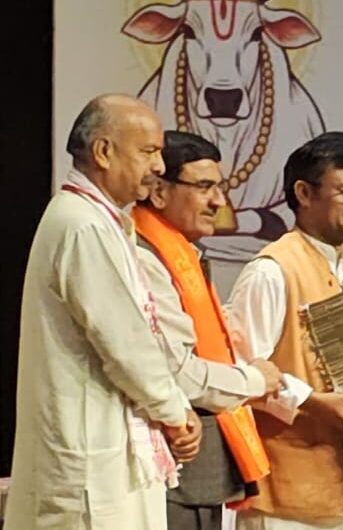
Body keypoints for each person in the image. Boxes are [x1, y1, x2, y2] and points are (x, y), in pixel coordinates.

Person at [4, 94, 201, 530]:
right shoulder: (83, 224)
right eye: (148, 151)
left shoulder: (97, 219)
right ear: (104, 152)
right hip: (90, 459)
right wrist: (175, 412)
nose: (159, 166)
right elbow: (126, 344)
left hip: (104, 449)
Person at [227, 132, 343, 530]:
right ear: (304, 193)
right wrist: (310, 401)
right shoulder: (271, 271)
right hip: (290, 493)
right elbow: (241, 371)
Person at [131, 130, 284, 530]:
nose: (219, 201)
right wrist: (254, 379)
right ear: (159, 191)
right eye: (204, 187)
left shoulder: (179, 251)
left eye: (219, 187)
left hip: (196, 468)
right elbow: (176, 371)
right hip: (172, 463)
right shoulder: (142, 257)